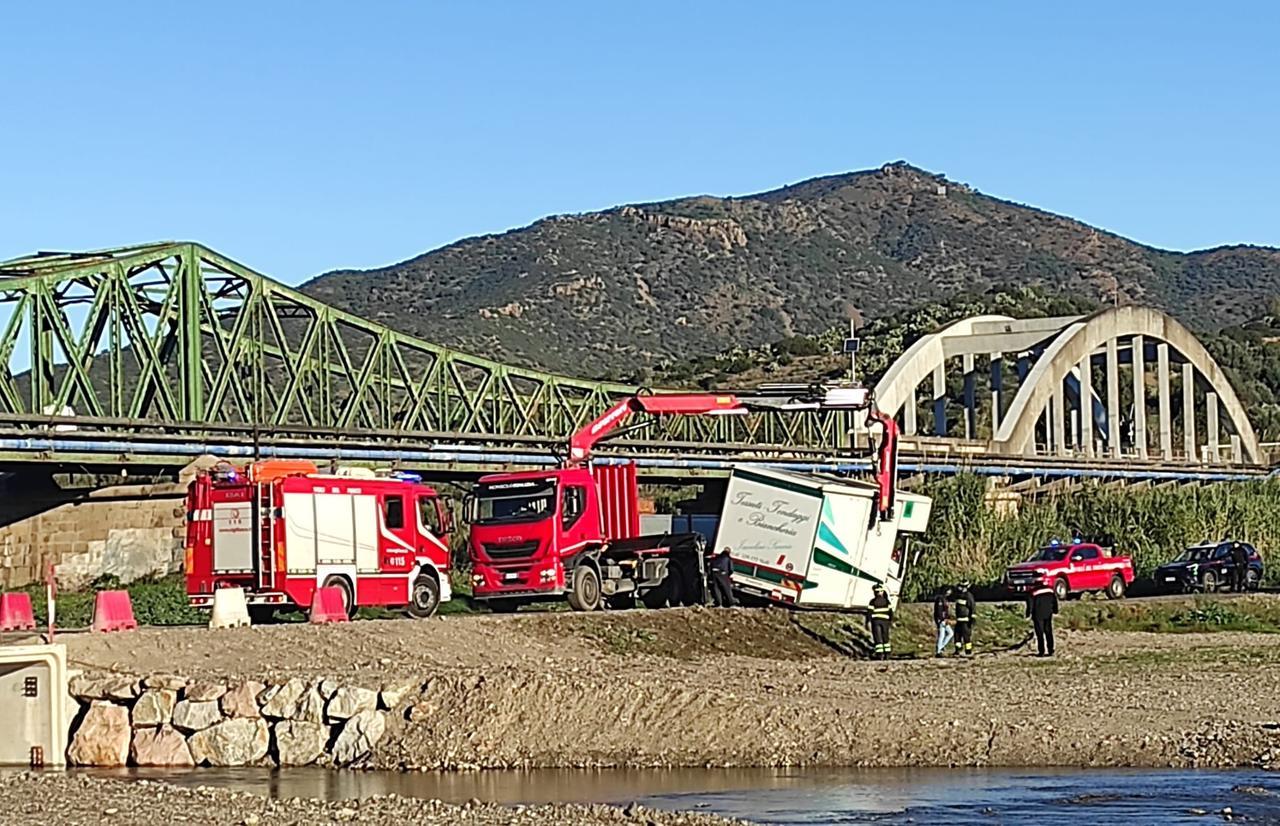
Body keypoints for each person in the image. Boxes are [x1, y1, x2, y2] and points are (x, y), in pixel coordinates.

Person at [1026, 581, 1058, 657]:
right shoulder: (1050, 591)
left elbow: (1030, 604)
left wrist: (1028, 614)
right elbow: (1054, 601)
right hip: (1048, 613)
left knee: (1040, 633)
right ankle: (1051, 649)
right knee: (1048, 631)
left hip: (1038, 614)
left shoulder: (1033, 592)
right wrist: (1055, 610)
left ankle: (1041, 651)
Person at [868, 583, 893, 660]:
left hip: (876, 622)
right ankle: (887, 654)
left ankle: (880, 655)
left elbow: (869, 612)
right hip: (885, 622)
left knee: (878, 638)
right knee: (885, 637)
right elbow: (891, 612)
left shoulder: (872, 601)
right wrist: (890, 621)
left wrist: (868, 621)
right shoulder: (887, 601)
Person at [953, 580, 976, 656]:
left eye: (964, 587)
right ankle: (957, 650)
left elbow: (972, 607)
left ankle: (968, 650)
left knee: (966, 637)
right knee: (957, 636)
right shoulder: (958, 595)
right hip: (958, 620)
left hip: (966, 620)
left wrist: (972, 618)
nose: (962, 588)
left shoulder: (968, 596)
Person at [933, 588, 954, 658]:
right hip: (941, 620)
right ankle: (938, 651)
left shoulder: (944, 599)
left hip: (944, 620)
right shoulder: (940, 599)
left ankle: (941, 647)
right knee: (942, 635)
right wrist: (942, 619)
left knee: (950, 633)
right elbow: (939, 611)